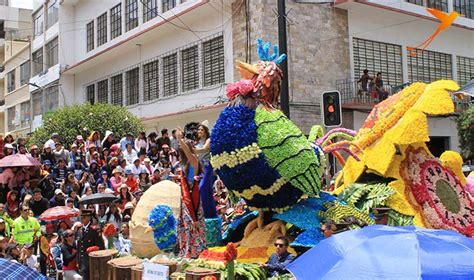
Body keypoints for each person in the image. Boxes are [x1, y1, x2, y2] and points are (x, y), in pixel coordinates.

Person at [175, 128, 206, 258]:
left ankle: (197, 253)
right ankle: (187, 253)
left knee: (194, 226)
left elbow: (188, 152)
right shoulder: (183, 165)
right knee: (185, 228)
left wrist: (180, 140)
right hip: (185, 201)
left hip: (194, 201)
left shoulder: (194, 160)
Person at [194, 122, 217, 219]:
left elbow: (203, 150)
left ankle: (210, 214)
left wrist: (189, 149)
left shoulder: (209, 140)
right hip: (201, 168)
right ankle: (208, 214)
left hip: (208, 167)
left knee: (203, 188)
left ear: (206, 132)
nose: (199, 131)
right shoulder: (197, 142)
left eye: (202, 130)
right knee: (204, 191)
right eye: (198, 129)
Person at [77, 209, 104, 280]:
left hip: (92, 262)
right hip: (83, 262)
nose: (82, 219)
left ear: (89, 218)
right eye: (81, 217)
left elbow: (101, 246)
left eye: (84, 217)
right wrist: (78, 261)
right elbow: (79, 247)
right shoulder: (79, 230)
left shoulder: (94, 230)